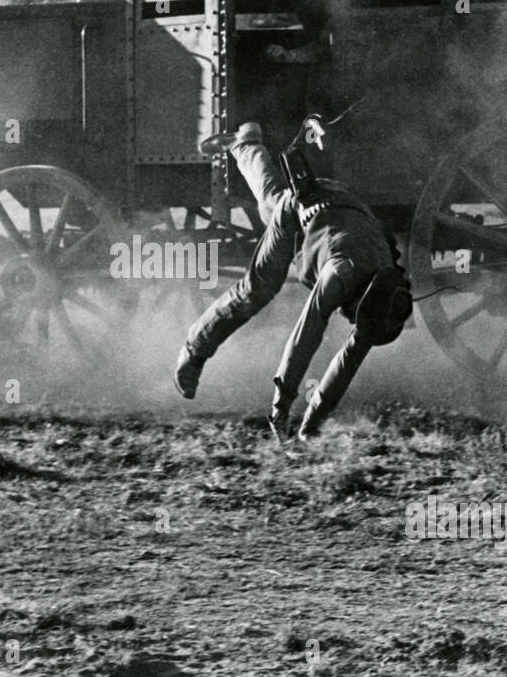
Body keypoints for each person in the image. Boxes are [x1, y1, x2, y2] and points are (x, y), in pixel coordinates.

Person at [174, 120, 412, 440]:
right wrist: (281, 406)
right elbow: (304, 339)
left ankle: (246, 144)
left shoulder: (387, 295)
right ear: (359, 302)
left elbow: (346, 364)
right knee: (258, 288)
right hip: (302, 208)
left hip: (339, 203)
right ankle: (194, 351)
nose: (354, 327)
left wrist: (311, 426)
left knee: (269, 198)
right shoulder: (339, 276)